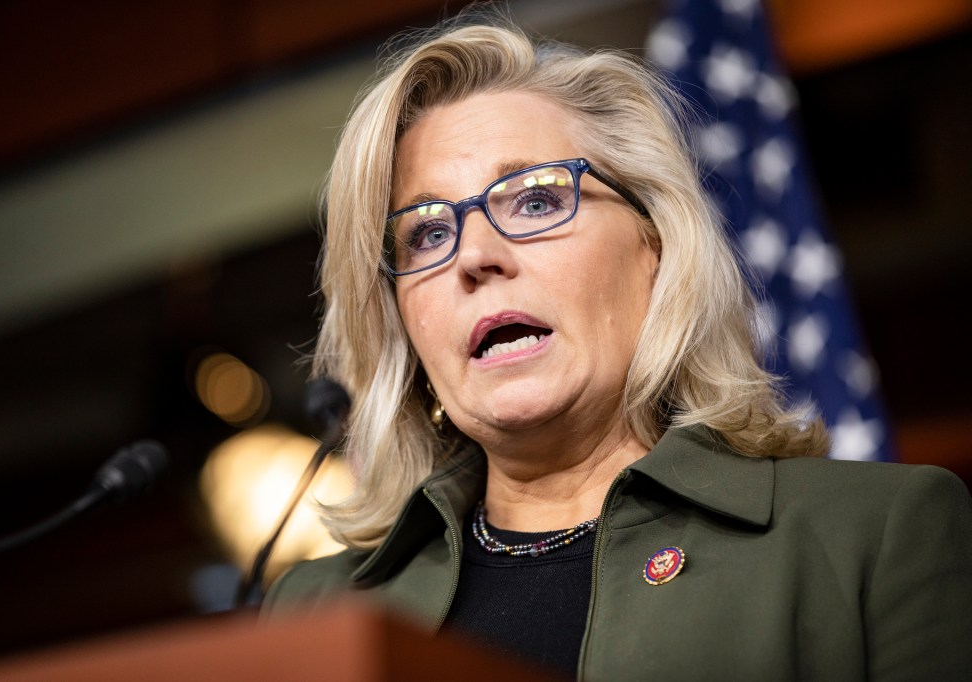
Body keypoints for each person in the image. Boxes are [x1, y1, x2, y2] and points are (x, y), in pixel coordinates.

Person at [262, 12, 972, 681]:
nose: (474, 255)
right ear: (401, 323)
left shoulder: (875, 533)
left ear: (654, 247)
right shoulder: (313, 609)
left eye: (535, 199)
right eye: (427, 233)